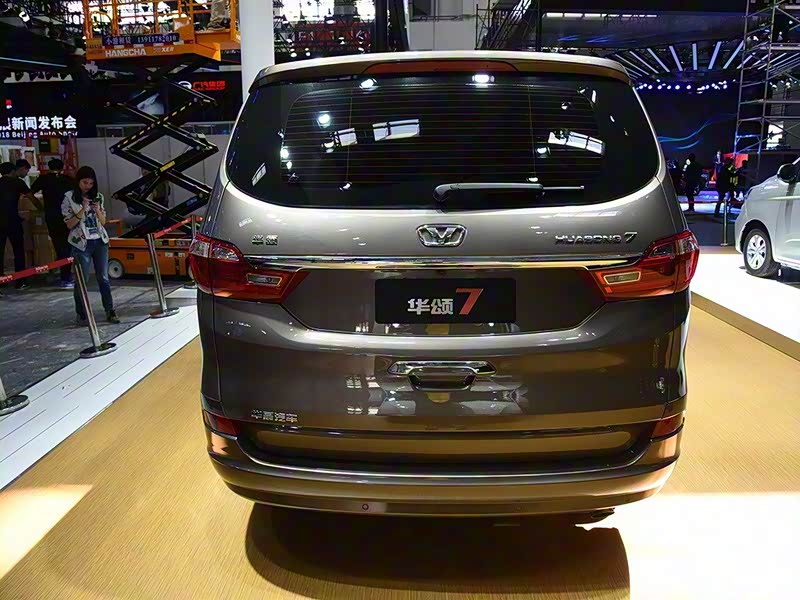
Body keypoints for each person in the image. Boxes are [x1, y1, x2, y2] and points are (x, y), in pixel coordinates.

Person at [62, 166, 120, 324]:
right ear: (78, 181)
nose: (88, 186)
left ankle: (110, 310)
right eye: (85, 182)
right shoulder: (69, 197)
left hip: (100, 241)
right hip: (81, 243)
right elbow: (69, 224)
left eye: (91, 183)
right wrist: (83, 210)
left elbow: (103, 221)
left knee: (104, 278)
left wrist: (97, 210)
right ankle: (82, 314)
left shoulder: (98, 196)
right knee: (82, 280)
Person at [31, 158, 75, 288]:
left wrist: (40, 207)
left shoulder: (43, 179)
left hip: (51, 217)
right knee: (67, 247)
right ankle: (65, 277)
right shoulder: (67, 180)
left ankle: (60, 274)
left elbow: (30, 193)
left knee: (58, 246)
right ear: (62, 168)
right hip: (67, 217)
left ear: (49, 167)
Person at [0, 161, 30, 290]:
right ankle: (20, 281)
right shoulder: (17, 182)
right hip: (13, 221)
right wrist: (40, 208)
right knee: (18, 251)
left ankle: (1, 281)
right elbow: (30, 196)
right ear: (13, 171)